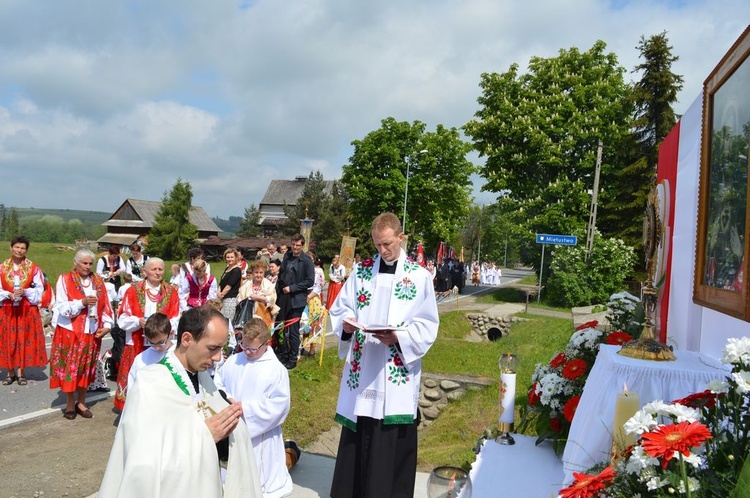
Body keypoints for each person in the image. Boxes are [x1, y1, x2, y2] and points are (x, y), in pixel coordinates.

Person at [329, 212, 439, 498]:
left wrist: (399, 337)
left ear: (401, 238)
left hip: (395, 366)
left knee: (388, 435)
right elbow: (341, 309)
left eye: (388, 243)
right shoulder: (362, 272)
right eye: (377, 244)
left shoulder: (418, 276)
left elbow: (428, 324)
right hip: (364, 363)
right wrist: (348, 324)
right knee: (360, 429)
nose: (382, 250)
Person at [99, 306, 262, 498]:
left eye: (221, 348)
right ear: (186, 339)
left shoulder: (203, 378)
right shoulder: (150, 385)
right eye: (213, 348)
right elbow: (143, 465)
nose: (218, 358)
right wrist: (205, 435)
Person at [215, 318, 293, 498]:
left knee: (258, 481)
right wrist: (227, 398)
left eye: (253, 348)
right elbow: (218, 383)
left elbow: (279, 405)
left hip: (261, 436)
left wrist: (245, 409)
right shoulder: (234, 360)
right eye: (244, 345)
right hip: (232, 430)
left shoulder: (275, 369)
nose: (247, 352)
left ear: (267, 343)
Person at [49, 249, 114, 420]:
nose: (87, 266)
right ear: (76, 263)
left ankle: (82, 402)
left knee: (86, 368)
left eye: (90, 263)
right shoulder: (64, 279)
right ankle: (70, 403)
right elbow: (62, 307)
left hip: (91, 331)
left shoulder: (98, 281)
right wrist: (81, 303)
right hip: (70, 331)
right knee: (71, 368)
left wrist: (107, 326)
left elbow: (106, 305)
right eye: (84, 263)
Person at [114, 257, 180, 411]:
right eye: (153, 269)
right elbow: (122, 318)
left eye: (160, 269)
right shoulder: (133, 290)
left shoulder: (170, 291)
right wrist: (138, 322)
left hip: (161, 345)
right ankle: (132, 411)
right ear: (145, 271)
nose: (157, 273)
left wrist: (165, 328)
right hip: (136, 343)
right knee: (137, 377)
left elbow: (176, 316)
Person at [0, 236, 48, 385]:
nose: (19, 250)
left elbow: (40, 290)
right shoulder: (2, 267)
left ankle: (21, 371)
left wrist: (26, 291)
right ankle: (10, 371)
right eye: (17, 247)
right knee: (8, 339)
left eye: (23, 248)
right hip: (7, 309)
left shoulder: (33, 268)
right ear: (11, 248)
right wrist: (7, 294)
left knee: (23, 339)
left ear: (26, 250)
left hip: (26, 309)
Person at [275, 234, 314, 370]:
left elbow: (310, 281)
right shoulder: (287, 256)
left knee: (293, 330)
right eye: (294, 244)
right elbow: (282, 274)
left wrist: (291, 288)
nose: (295, 247)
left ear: (302, 245)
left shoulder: (306, 261)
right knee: (282, 328)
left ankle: (292, 358)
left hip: (297, 300)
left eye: (298, 245)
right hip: (284, 298)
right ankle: (284, 354)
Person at [127, 312, 173, 391]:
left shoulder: (180, 354)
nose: (157, 348)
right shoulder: (141, 359)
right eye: (151, 343)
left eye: (161, 342)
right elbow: (132, 387)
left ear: (171, 333)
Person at [237, 261, 278, 327]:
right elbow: (239, 299)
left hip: (264, 315)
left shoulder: (268, 285)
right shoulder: (246, 285)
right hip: (248, 316)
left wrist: (258, 298)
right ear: (252, 273)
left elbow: (272, 300)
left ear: (264, 273)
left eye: (261, 272)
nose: (258, 275)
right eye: (256, 272)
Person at [218, 248, 243, 335]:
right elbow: (221, 282)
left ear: (235, 257)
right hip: (223, 298)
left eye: (232, 257)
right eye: (228, 257)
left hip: (230, 299)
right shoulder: (227, 269)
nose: (230, 259)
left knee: (227, 322)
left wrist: (222, 294)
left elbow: (229, 285)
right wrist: (219, 292)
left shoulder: (236, 270)